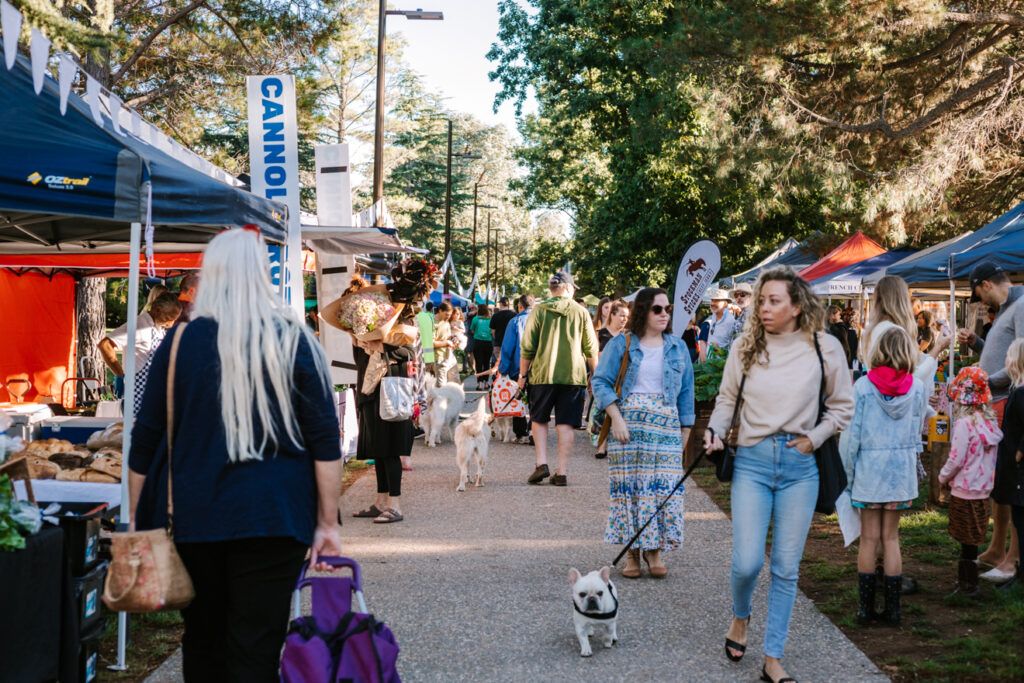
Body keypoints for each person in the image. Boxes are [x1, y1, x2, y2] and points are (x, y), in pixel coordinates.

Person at [127, 229, 342, 682]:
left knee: (203, 637)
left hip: (196, 515)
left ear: (212, 275)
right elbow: (326, 442)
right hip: (277, 518)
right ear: (262, 274)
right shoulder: (294, 339)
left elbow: (144, 441)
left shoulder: (181, 341)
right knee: (257, 643)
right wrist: (327, 523)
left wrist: (135, 523)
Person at [704, 266, 853, 683]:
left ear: (796, 305)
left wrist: (815, 437)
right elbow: (727, 399)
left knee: (787, 567)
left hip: (800, 466)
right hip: (752, 460)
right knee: (748, 562)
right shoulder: (746, 346)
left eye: (773, 301)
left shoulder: (825, 347)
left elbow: (842, 406)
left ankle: (773, 657)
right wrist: (715, 431)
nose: (764, 308)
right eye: (762, 301)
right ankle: (740, 616)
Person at [592, 288, 694, 579]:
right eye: (657, 309)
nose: (664, 314)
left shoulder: (677, 347)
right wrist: (617, 418)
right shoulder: (622, 344)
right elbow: (600, 382)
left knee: (663, 492)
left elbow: (687, 394)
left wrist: (684, 436)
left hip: (666, 429)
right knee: (632, 492)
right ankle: (633, 554)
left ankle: (655, 550)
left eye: (667, 309)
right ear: (643, 312)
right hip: (629, 431)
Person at [842, 327, 927, 625]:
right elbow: (918, 433)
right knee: (891, 539)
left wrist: (848, 476)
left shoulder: (863, 387)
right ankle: (893, 610)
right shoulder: (917, 387)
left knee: (868, 539)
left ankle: (865, 609)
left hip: (868, 472)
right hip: (899, 473)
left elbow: (852, 438)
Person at [955, 262, 1023, 578]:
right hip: (996, 403)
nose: (982, 303)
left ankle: (1013, 557)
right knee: (1000, 480)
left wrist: (981, 381)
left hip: (1010, 403)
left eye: (979, 295)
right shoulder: (1008, 309)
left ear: (985, 285)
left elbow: (1021, 360)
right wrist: (977, 345)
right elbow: (1004, 354)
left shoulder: (1021, 306)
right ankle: (997, 548)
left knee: (1011, 481)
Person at [519, 271, 599, 486]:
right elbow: (590, 347)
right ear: (568, 288)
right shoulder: (580, 312)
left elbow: (527, 346)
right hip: (572, 376)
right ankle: (561, 472)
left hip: (542, 374)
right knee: (566, 424)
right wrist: (595, 375)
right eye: (574, 288)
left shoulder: (539, 310)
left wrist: (522, 376)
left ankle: (541, 464)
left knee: (539, 419)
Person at [349, 279, 417, 524]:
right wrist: (358, 339)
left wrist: (380, 345)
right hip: (369, 391)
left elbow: (409, 353)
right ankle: (380, 502)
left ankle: (395, 505)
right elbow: (358, 361)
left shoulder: (402, 322)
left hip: (389, 390)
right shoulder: (359, 327)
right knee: (377, 450)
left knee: (390, 450)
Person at [939, 367, 1003, 598]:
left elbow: (956, 458)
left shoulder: (964, 425)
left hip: (964, 489)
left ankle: (968, 584)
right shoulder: (990, 424)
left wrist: (943, 477)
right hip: (983, 490)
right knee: (973, 538)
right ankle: (970, 580)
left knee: (965, 536)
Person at [98, 292, 183, 414]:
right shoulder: (140, 326)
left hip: (153, 398)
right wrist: (120, 375)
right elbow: (104, 345)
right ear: (157, 310)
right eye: (169, 318)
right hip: (137, 399)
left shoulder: (157, 327)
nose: (170, 324)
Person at [992, 338, 1024, 589]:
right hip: (1012, 464)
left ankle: (1019, 570)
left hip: (1018, 468)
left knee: (1021, 520)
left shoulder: (1021, 393)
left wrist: (1019, 452)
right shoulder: (1017, 389)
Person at [594, 300, 629, 458]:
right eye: (621, 315)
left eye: (626, 317)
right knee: (600, 412)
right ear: (612, 315)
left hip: (620, 378)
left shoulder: (626, 337)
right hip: (603, 375)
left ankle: (608, 442)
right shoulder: (601, 333)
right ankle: (601, 445)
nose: (624, 319)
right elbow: (594, 355)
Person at [498, 294, 536, 444]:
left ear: (520, 306)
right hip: (539, 368)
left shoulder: (515, 322)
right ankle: (534, 430)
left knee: (518, 399)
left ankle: (521, 433)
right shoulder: (542, 322)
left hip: (517, 368)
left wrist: (503, 370)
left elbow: (507, 348)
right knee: (536, 401)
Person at [432, 302, 459, 385]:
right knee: (441, 388)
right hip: (439, 359)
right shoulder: (432, 323)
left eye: (450, 315)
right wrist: (447, 342)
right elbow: (431, 343)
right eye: (446, 314)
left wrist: (453, 340)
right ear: (440, 311)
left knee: (455, 384)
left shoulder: (446, 321)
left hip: (450, 357)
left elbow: (446, 337)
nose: (448, 317)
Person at [704, 288, 736, 354]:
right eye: (712, 300)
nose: (712, 303)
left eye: (716, 301)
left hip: (721, 362)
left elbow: (733, 347)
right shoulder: (714, 315)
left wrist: (719, 350)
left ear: (725, 304)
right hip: (709, 360)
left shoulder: (730, 321)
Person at [470, 304, 494, 390]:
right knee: (487, 363)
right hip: (488, 342)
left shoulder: (475, 319)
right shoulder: (490, 319)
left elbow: (472, 330)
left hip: (478, 342)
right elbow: (492, 331)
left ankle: (480, 384)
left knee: (479, 363)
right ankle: (487, 383)